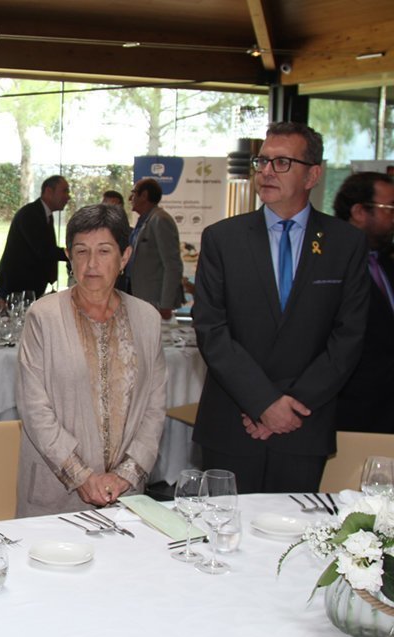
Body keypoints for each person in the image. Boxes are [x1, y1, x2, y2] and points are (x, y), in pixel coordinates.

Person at [193, 122, 369, 493]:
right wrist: (262, 402)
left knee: (294, 545)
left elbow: (348, 336)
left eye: (283, 162)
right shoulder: (222, 239)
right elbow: (211, 330)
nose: (267, 172)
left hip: (303, 424)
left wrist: (288, 407)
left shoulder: (345, 244)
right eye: (263, 162)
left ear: (313, 175)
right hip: (232, 426)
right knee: (224, 539)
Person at [15, 204, 166, 517]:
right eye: (81, 251)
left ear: (125, 256)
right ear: (69, 256)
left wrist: (127, 474)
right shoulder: (44, 316)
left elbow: (154, 407)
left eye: (104, 251)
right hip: (55, 495)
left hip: (125, 496)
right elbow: (34, 408)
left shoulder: (147, 319)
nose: (92, 264)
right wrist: (81, 476)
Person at [333, 171, 394, 433]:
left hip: (386, 414)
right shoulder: (329, 265)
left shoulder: (386, 262)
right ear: (359, 211)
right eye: (389, 208)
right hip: (348, 415)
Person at [0, 175, 70, 298]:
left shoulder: (43, 214)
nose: (68, 197)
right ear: (49, 191)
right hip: (16, 287)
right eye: (65, 191)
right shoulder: (30, 214)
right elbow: (44, 250)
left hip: (28, 285)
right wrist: (74, 253)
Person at [124, 178, 184, 319]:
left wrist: (166, 304)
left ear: (144, 195)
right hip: (137, 296)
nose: (129, 198)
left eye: (133, 193)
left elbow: (172, 265)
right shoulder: (144, 221)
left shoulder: (160, 220)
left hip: (153, 301)